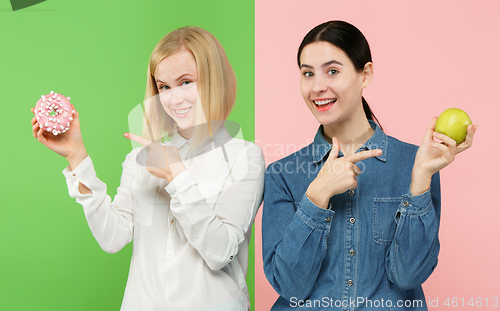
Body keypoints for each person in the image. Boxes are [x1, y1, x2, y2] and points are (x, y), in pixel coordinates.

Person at [31, 26, 265, 311]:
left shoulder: (245, 157)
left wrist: (178, 176)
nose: (174, 99)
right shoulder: (141, 159)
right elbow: (112, 238)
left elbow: (220, 253)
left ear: (215, 80)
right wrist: (77, 158)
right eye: (164, 87)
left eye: (186, 82)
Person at [262, 20, 476, 310]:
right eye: (307, 73)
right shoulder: (281, 175)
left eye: (333, 71)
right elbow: (290, 286)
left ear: (366, 74)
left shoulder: (416, 164)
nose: (317, 87)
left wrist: (421, 178)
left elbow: (409, 275)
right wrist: (316, 197)